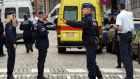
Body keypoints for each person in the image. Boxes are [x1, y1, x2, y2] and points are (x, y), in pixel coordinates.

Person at [61, 3, 103, 79]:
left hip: (90, 43)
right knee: (92, 61)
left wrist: (67, 22)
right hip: (93, 42)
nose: (82, 10)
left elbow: (79, 24)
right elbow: (97, 32)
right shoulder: (94, 20)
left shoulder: (87, 20)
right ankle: (100, 76)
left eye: (83, 9)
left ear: (88, 10)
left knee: (90, 63)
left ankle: (92, 77)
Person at [114, 3, 134, 79]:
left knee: (125, 57)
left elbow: (120, 28)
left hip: (123, 36)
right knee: (129, 56)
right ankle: (130, 74)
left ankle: (129, 76)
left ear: (119, 7)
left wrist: (114, 26)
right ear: (125, 7)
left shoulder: (119, 15)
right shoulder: (130, 14)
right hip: (129, 35)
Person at [34, 14, 52, 79]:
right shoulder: (39, 24)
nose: (45, 17)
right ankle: (40, 76)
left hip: (40, 44)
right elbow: (43, 33)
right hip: (42, 45)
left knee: (41, 60)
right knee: (41, 61)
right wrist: (47, 31)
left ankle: (40, 75)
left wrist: (45, 24)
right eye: (44, 17)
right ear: (41, 17)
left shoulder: (38, 24)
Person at [5, 12, 17, 79]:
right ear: (10, 16)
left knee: (12, 59)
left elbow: (15, 26)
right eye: (13, 16)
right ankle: (9, 75)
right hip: (10, 44)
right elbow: (10, 35)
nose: (14, 17)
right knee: (11, 59)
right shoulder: (8, 24)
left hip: (10, 44)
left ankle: (10, 74)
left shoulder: (11, 23)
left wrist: (15, 21)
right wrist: (14, 43)